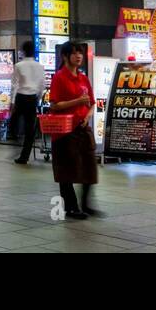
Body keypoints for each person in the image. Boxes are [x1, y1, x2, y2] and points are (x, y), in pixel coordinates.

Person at [48, 42, 98, 220]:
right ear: (65, 56)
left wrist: (87, 116)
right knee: (66, 170)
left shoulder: (83, 78)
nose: (79, 56)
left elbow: (91, 103)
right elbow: (54, 105)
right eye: (75, 53)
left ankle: (85, 203)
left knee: (89, 167)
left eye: (81, 53)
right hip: (65, 132)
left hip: (83, 128)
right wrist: (77, 102)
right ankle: (71, 207)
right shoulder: (59, 77)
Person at [11, 40, 44, 164]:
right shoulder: (39, 66)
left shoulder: (18, 65)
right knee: (30, 129)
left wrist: (13, 101)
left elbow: (14, 84)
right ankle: (24, 157)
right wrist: (38, 99)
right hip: (32, 99)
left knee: (13, 122)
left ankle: (15, 139)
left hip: (20, 97)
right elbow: (42, 85)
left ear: (23, 51)